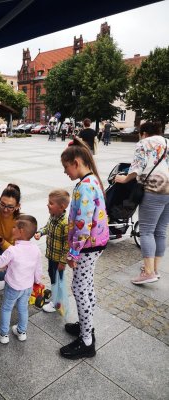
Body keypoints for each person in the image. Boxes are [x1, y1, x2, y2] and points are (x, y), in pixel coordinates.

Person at [59, 137, 109, 359]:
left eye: (66, 167)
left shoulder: (85, 187)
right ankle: (85, 325)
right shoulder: (92, 181)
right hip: (94, 244)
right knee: (86, 285)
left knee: (79, 288)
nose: (65, 172)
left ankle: (86, 340)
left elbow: (83, 224)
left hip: (87, 246)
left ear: (76, 162)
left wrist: (73, 253)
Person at [114, 121, 169, 284]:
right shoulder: (167, 142)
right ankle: (154, 269)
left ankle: (148, 273)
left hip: (154, 189)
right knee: (161, 231)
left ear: (143, 133)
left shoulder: (143, 143)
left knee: (146, 231)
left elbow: (136, 168)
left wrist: (123, 179)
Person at [0, 215, 42, 344]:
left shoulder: (12, 250)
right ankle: (21, 332)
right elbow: (38, 269)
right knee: (23, 308)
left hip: (13, 286)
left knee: (7, 308)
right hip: (27, 287)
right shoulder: (36, 249)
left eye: (14, 227)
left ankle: (3, 334)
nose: (12, 229)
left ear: (21, 231)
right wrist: (38, 281)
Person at [34, 189, 70, 313]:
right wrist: (40, 232)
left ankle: (57, 303)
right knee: (52, 276)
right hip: (51, 256)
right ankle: (56, 296)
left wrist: (62, 262)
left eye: (51, 203)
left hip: (58, 259)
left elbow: (67, 244)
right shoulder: (53, 216)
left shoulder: (65, 223)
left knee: (58, 280)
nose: (47, 205)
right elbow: (47, 228)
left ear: (62, 207)